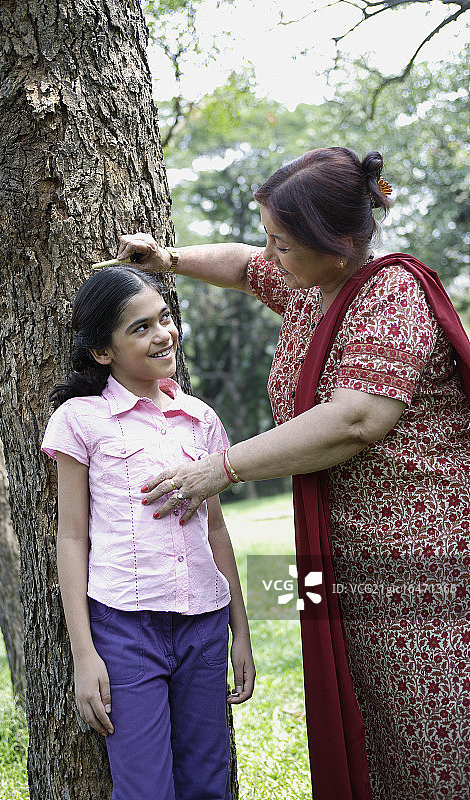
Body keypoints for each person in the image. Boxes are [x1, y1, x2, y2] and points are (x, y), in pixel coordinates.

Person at [115, 147, 470, 800]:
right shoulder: (311, 286)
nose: (270, 255)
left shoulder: (390, 293)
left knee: (432, 740)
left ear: (333, 242)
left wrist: (218, 469)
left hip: (418, 568)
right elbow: (243, 269)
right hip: (340, 564)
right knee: (371, 734)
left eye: (281, 242)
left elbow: (355, 420)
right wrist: (168, 260)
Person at [41, 265, 255, 800]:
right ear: (102, 352)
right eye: (140, 327)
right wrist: (84, 653)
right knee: (145, 789)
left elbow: (216, 529)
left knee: (209, 782)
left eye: (163, 318)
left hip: (204, 627)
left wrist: (241, 632)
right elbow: (71, 537)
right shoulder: (80, 419)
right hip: (125, 631)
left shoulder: (200, 419)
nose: (163, 334)